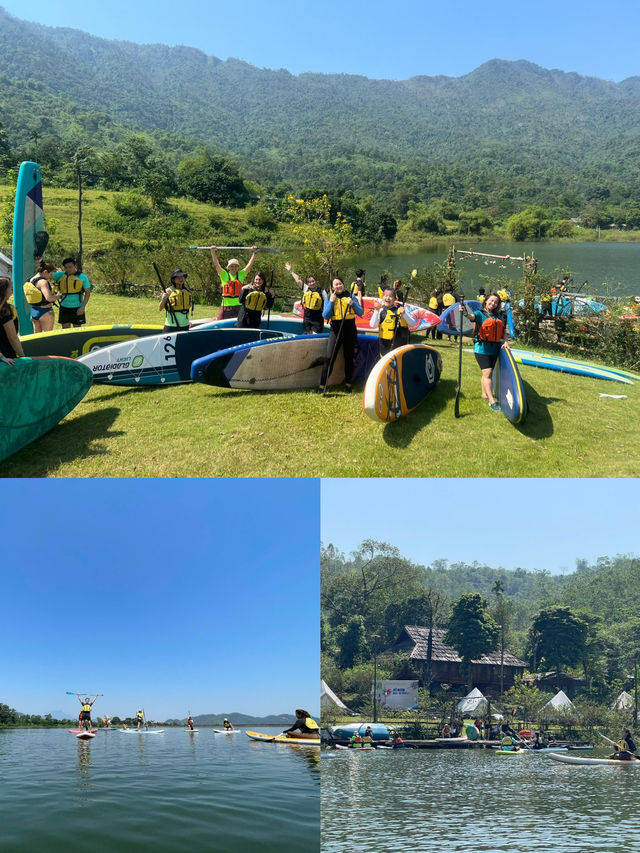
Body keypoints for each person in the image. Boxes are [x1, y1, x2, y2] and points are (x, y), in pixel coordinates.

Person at [460, 291, 509, 412]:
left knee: (488, 374)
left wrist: (506, 341)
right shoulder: (479, 314)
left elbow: (503, 331)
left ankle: (484, 394)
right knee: (487, 373)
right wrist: (465, 313)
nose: (493, 303)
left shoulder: (499, 316)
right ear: (486, 301)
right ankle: (492, 401)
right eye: (491, 301)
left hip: (495, 348)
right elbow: (471, 317)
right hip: (482, 348)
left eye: (496, 302)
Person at [318, 278, 364, 394]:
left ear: (343, 285)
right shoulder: (330, 297)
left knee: (349, 357)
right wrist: (332, 301)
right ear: (332, 287)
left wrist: (353, 304)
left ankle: (348, 384)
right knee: (329, 358)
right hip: (336, 329)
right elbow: (325, 315)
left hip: (349, 328)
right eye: (336, 284)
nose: (339, 286)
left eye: (340, 284)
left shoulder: (350, 296)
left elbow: (360, 312)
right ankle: (322, 385)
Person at [210, 246, 258, 319]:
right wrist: (213, 252)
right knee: (220, 322)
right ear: (228, 267)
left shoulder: (241, 275)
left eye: (236, 266)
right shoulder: (224, 275)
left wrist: (254, 253)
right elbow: (216, 264)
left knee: (238, 324)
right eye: (232, 266)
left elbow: (249, 265)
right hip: (226, 306)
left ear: (238, 267)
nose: (234, 268)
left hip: (238, 306)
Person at [285, 262, 326, 334]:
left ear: (316, 281)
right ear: (307, 283)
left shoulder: (322, 291)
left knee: (314, 336)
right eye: (309, 282)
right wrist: (291, 271)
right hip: (307, 318)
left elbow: (327, 303)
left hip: (318, 319)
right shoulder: (306, 289)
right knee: (308, 335)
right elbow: (298, 280)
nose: (311, 283)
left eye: (313, 281)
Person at [370, 287, 410, 358]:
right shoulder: (380, 310)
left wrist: (404, 314)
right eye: (385, 295)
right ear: (382, 298)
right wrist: (376, 311)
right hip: (384, 344)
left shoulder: (400, 309)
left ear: (394, 299)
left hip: (398, 344)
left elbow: (413, 323)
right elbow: (372, 325)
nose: (387, 298)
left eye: (390, 296)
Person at [52, 257, 91, 328]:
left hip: (77, 307)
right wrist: (40, 262)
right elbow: (46, 274)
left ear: (75, 266)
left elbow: (88, 293)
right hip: (64, 306)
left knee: (77, 329)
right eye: (66, 267)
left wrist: (82, 307)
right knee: (65, 330)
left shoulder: (82, 277)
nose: (68, 269)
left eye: (70, 267)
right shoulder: (61, 275)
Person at [23, 260, 60, 333]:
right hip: (45, 312)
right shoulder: (43, 282)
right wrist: (59, 296)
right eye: (50, 274)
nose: (50, 277)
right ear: (45, 271)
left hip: (34, 311)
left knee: (36, 337)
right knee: (47, 337)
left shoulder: (30, 280)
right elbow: (49, 298)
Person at [0, 277, 25, 362]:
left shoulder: (5, 308)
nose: (12, 290)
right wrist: (23, 357)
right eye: (10, 288)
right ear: (4, 291)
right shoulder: (4, 311)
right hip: (6, 353)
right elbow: (12, 337)